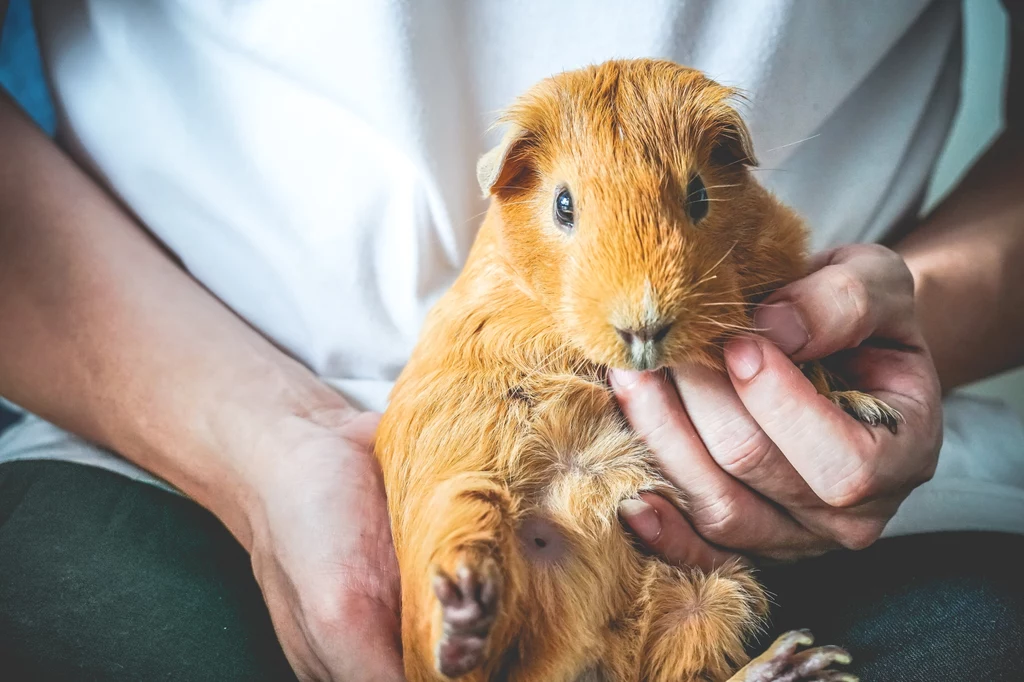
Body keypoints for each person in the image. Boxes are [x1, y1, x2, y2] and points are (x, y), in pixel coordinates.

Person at [0, 1, 1022, 680]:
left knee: (719, 619)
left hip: (852, 510)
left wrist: (875, 333)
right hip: (154, 434)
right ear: (516, 181)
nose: (641, 298)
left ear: (732, 174)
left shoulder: (765, 246)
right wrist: (260, 446)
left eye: (697, 200)